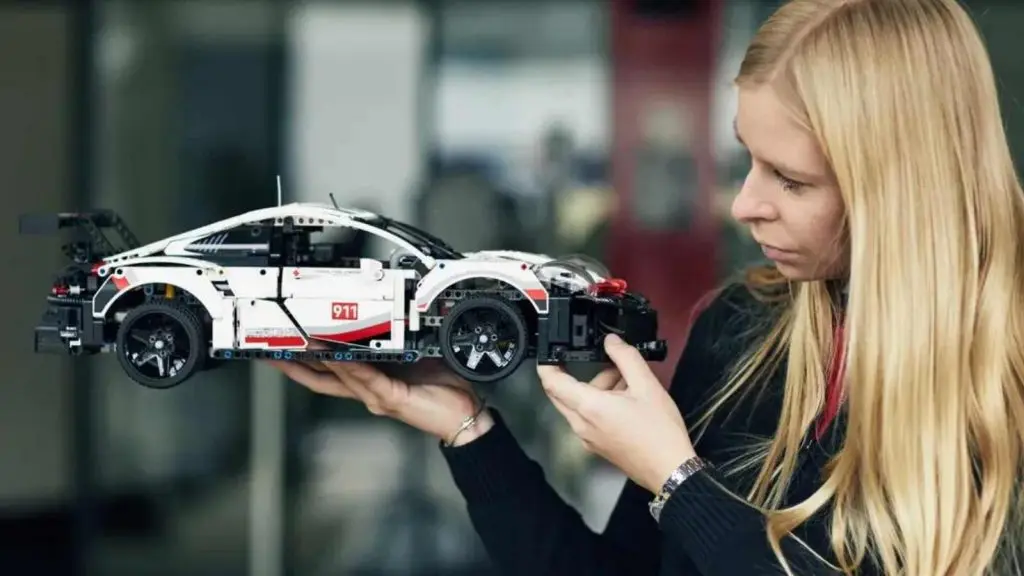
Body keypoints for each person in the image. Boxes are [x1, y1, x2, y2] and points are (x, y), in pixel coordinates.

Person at [270, 0, 1024, 574]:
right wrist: (468, 430)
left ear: (901, 187)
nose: (744, 205)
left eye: (792, 181)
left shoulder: (1004, 382)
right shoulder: (743, 326)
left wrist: (678, 480)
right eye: (748, 161)